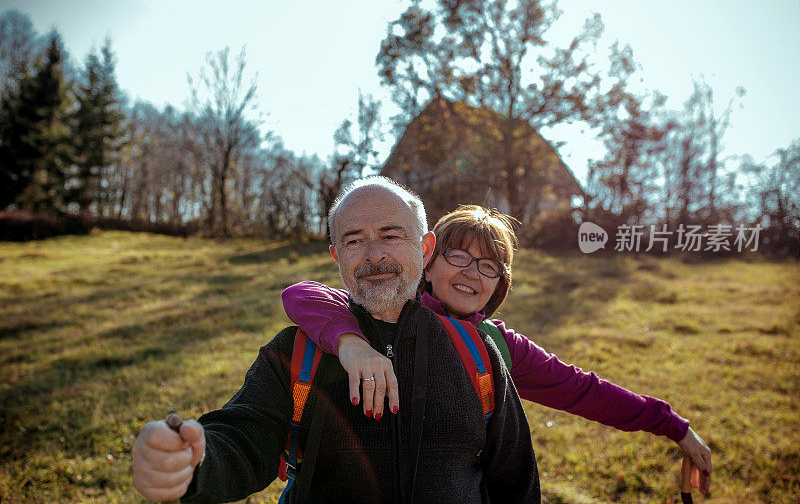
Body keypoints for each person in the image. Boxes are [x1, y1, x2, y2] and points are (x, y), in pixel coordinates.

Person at [132, 178, 540, 503]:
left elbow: (516, 480)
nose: (374, 254)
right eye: (354, 240)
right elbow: (244, 436)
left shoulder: (477, 355)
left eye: (391, 236)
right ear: (337, 256)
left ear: (426, 247)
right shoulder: (297, 352)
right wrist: (194, 460)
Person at [282, 204, 713, 496]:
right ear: (428, 263)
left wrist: (672, 425)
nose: (472, 273)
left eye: (488, 265)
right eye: (459, 257)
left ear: (498, 284)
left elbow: (585, 390)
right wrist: (350, 342)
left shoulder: (498, 348)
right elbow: (302, 294)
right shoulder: (389, 308)